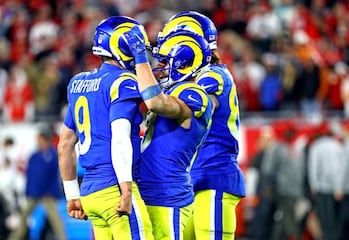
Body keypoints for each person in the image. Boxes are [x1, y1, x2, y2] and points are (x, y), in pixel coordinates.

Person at [57, 16, 153, 240]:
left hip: (90, 193)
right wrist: (126, 190)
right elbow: (119, 138)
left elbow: (65, 145)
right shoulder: (123, 82)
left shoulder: (78, 83)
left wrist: (72, 194)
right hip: (115, 188)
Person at [156, 11, 246, 240]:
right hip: (190, 179)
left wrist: (155, 99)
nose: (165, 63)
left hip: (213, 173)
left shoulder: (212, 75)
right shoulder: (189, 80)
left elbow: (200, 104)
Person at [121, 25, 213, 239]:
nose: (159, 67)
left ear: (185, 63)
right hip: (151, 191)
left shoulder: (193, 93)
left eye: (165, 61)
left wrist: (140, 58)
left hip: (167, 194)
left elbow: (154, 101)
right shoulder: (173, 91)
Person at [8, 126, 66, 240]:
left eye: (40, 139)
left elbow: (55, 175)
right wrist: (28, 191)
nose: (38, 141)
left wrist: (52, 190)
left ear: (45, 139)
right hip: (34, 193)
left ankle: (63, 238)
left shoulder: (53, 155)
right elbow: (30, 176)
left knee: (55, 219)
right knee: (24, 218)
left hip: (47, 193)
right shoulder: (34, 156)